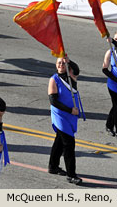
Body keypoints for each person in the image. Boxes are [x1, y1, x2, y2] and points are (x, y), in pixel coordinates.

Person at [48, 56, 83, 186]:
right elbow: (53, 101)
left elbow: (77, 70)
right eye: (59, 63)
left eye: (63, 62)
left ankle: (53, 166)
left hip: (70, 115)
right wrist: (69, 110)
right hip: (60, 115)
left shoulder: (71, 77)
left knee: (59, 140)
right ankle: (71, 175)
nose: (61, 64)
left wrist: (69, 61)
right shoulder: (54, 80)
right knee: (68, 144)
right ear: (56, 65)